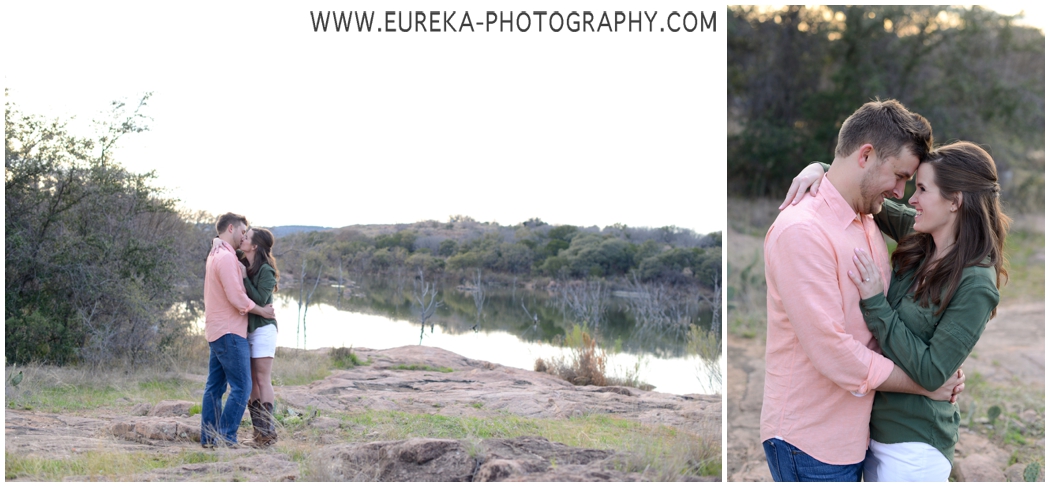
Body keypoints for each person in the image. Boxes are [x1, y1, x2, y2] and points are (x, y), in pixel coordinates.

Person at [760, 99, 965, 482]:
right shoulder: (802, 231)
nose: (902, 193)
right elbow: (835, 353)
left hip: (857, 434)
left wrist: (937, 364)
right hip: (810, 440)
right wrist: (925, 385)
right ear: (866, 155)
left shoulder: (866, 219)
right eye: (900, 176)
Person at [782, 141, 1008, 481]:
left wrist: (876, 303)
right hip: (871, 434)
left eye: (921, 189)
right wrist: (818, 168)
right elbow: (856, 188)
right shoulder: (919, 236)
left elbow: (933, 373)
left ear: (955, 201)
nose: (910, 199)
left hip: (915, 446)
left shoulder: (976, 283)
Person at [201, 212, 276, 448]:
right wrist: (262, 311)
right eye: (243, 231)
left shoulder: (218, 253)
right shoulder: (224, 257)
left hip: (218, 329)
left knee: (214, 387)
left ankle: (210, 438)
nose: (244, 235)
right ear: (231, 228)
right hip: (229, 332)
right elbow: (236, 297)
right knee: (242, 387)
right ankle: (225, 438)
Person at [239, 228, 280, 446]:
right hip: (246, 329)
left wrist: (245, 278)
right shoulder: (241, 258)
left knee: (262, 379)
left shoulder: (265, 270)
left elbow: (261, 299)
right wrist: (216, 242)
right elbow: (222, 245)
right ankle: (258, 433)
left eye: (247, 236)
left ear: (255, 246)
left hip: (264, 329)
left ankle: (268, 432)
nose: (242, 238)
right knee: (251, 381)